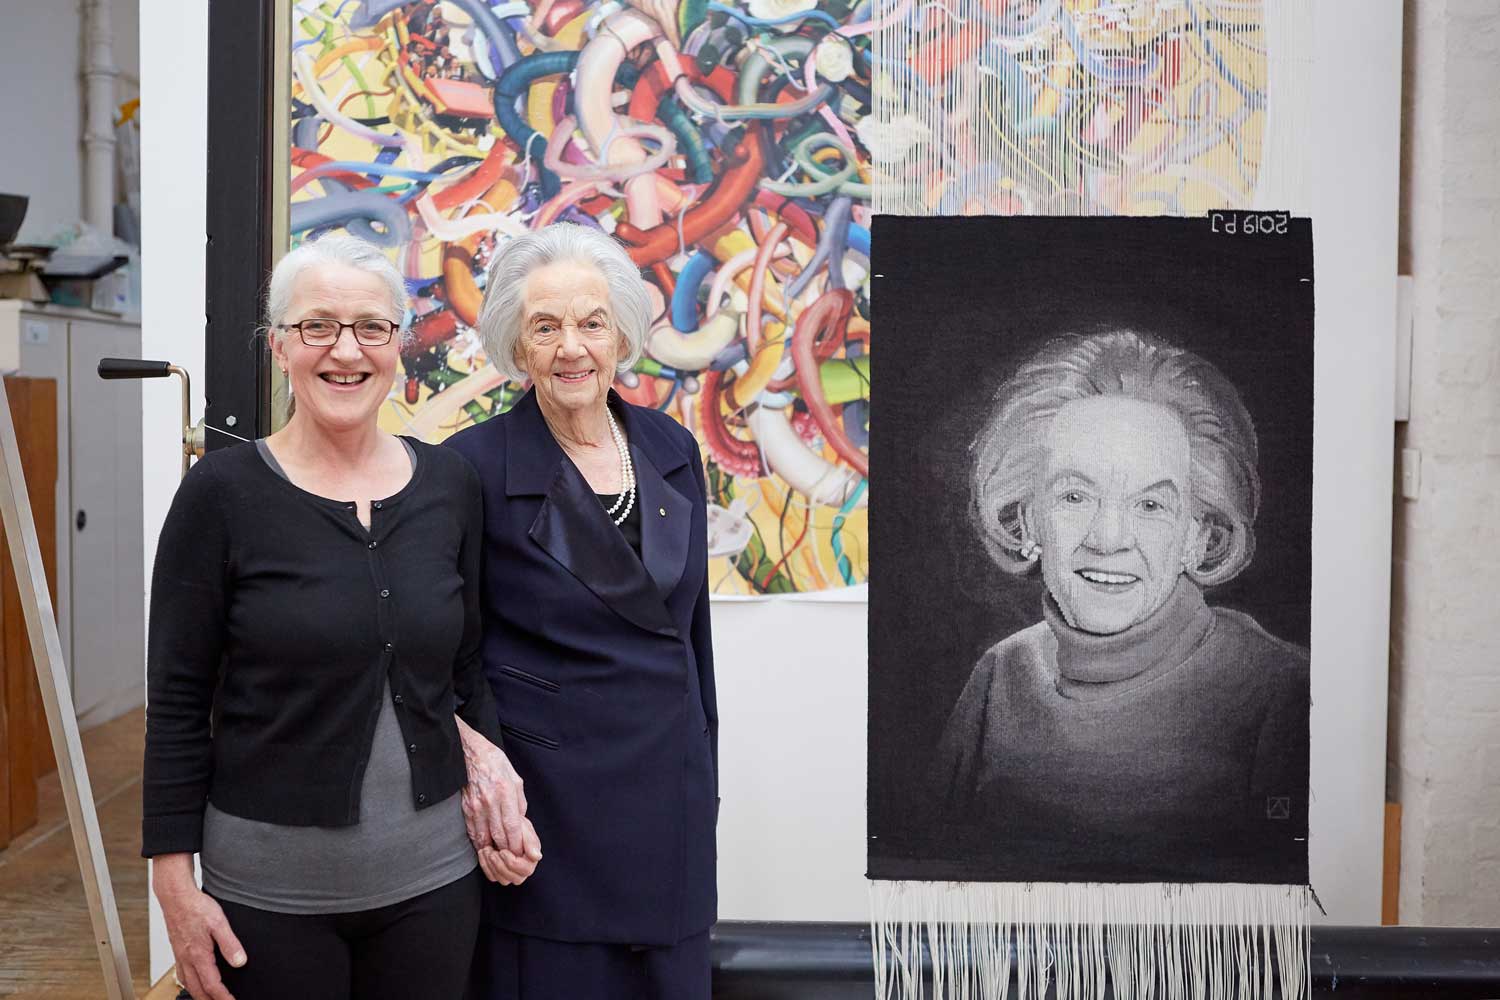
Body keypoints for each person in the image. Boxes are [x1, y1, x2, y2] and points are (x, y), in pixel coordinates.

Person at [142, 234, 540, 1000]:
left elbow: (466, 670)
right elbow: (179, 701)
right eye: (317, 326)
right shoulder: (221, 496)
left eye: (371, 327)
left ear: (397, 345)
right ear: (279, 347)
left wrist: (496, 790)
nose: (345, 350)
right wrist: (173, 883)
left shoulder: (449, 486)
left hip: (435, 886)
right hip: (265, 898)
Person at [447, 223, 718, 999]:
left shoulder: (670, 447)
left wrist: (706, 783)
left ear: (621, 333)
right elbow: (451, 654)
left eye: (592, 323)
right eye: (546, 327)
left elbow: (691, 643)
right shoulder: (472, 467)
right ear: (516, 346)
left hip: (670, 808)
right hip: (550, 818)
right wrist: (484, 787)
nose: (573, 347)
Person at [934, 329, 1309, 880]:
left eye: (1151, 504)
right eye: (1075, 496)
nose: (1109, 539)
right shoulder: (999, 676)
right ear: (1028, 518)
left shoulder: (1280, 691)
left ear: (1198, 536)